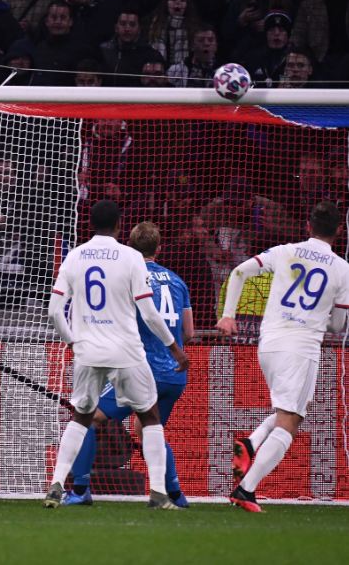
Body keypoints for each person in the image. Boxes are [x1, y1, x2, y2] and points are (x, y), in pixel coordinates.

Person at [43, 200, 189, 509]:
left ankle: (57, 482)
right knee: (149, 416)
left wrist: (72, 342)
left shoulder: (74, 256)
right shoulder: (131, 257)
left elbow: (55, 311)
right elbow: (149, 313)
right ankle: (159, 492)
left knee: (81, 417)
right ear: (120, 224)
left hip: (87, 350)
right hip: (125, 351)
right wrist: (174, 348)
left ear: (90, 224)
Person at [217, 201, 349, 513]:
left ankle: (251, 443)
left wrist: (227, 315)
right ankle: (246, 490)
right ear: (339, 231)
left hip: (269, 342)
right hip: (301, 347)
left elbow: (238, 271)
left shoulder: (284, 250)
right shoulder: (342, 269)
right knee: (292, 419)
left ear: (307, 226)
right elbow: (338, 325)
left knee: (289, 409)